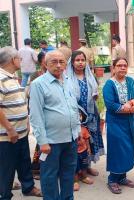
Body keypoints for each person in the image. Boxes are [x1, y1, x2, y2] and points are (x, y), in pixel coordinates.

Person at [29, 50, 80, 200]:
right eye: (54, 62)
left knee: (68, 173)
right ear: (45, 64)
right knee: (49, 176)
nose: (58, 65)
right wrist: (42, 141)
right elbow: (35, 115)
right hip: (50, 142)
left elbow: (73, 106)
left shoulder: (69, 80)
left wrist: (77, 132)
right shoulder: (38, 84)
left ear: (66, 64)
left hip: (71, 139)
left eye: (61, 62)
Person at [0, 46, 42, 200]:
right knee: (7, 167)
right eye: (19, 57)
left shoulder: (12, 76)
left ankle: (28, 187)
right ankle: (4, 194)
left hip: (21, 131)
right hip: (7, 135)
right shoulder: (0, 78)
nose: (22, 60)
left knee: (24, 161)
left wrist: (26, 123)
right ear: (13, 60)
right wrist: (10, 129)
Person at [103, 57, 134, 194]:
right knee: (117, 150)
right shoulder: (109, 84)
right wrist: (127, 109)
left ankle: (122, 177)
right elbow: (110, 104)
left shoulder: (130, 81)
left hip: (130, 122)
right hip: (115, 122)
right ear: (113, 68)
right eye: (119, 65)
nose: (122, 68)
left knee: (128, 149)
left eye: (125, 65)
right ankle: (112, 179)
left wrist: (132, 102)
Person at [66, 50, 105, 177]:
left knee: (90, 141)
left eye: (83, 60)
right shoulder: (66, 78)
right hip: (76, 115)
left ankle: (87, 167)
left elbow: (95, 93)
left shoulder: (90, 76)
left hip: (91, 113)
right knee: (79, 142)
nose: (80, 63)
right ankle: (77, 171)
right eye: (77, 60)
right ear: (72, 62)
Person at [30, 51, 47, 180]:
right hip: (41, 113)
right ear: (41, 62)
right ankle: (37, 168)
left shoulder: (58, 75)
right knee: (41, 143)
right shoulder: (36, 76)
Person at [74, 108, 93, 191]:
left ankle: (84, 177)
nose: (78, 117)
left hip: (84, 151)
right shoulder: (71, 130)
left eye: (80, 115)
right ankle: (75, 181)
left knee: (84, 165)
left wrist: (88, 149)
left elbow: (87, 140)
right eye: (76, 115)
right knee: (74, 168)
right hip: (74, 153)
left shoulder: (84, 128)